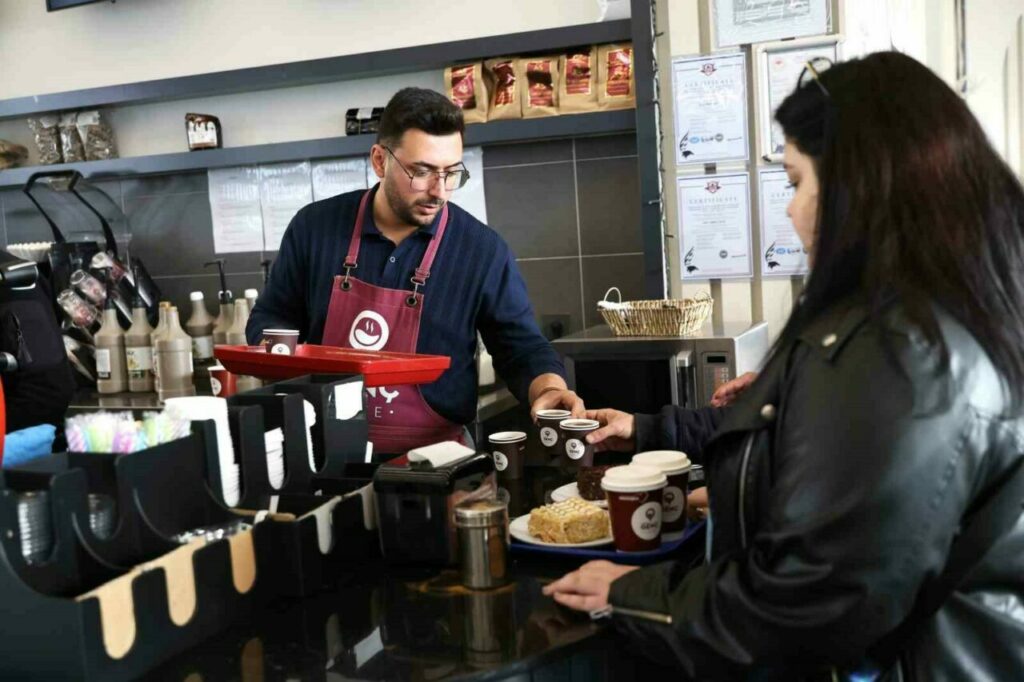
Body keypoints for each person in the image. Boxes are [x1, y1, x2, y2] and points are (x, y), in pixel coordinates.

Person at [544, 52, 1024, 679]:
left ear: (859, 185)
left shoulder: (903, 353)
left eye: (796, 182)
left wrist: (632, 594)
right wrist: (655, 431)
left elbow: (813, 602)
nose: (792, 212)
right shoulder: (944, 313)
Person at [248, 88, 582, 455]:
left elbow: (520, 347)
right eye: (421, 172)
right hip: (320, 453)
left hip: (437, 460)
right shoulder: (314, 227)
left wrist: (550, 389)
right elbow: (272, 317)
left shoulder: (482, 250)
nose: (439, 191)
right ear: (380, 161)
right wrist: (272, 355)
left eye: (451, 173)